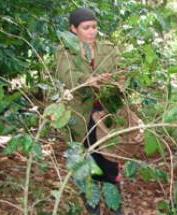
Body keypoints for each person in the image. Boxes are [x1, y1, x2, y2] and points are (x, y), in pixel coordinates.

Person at [55, 8, 122, 214]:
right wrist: (87, 81)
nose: (92, 32)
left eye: (94, 27)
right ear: (73, 29)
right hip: (79, 119)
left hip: (104, 116)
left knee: (110, 165)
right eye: (86, 28)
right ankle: (93, 209)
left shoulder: (108, 49)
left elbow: (120, 74)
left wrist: (116, 82)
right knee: (84, 167)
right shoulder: (65, 51)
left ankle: (115, 208)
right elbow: (66, 75)